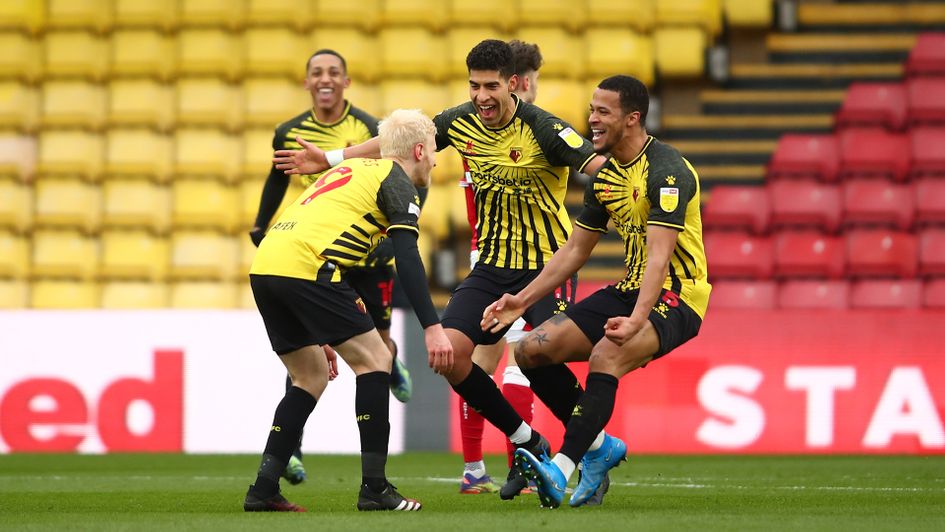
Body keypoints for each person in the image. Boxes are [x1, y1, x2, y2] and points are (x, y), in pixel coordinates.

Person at [272, 39, 612, 503]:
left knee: (536, 357)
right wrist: (330, 159)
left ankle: (593, 447)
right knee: (449, 355)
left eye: (491, 86)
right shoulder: (461, 119)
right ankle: (525, 440)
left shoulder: (543, 128)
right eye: (474, 86)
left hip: (542, 267)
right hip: (490, 267)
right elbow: (397, 144)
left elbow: (600, 168)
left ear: (514, 84)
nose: (482, 96)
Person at [482, 75, 712, 508]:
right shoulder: (604, 178)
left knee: (606, 354)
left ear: (633, 118)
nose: (591, 120)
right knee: (530, 350)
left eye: (603, 112)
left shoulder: (667, 171)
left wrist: (638, 319)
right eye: (592, 110)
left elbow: (660, 260)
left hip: (678, 294)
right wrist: (522, 301)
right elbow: (574, 251)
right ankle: (599, 448)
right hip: (631, 287)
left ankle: (562, 468)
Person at [244, 108, 451, 512]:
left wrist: (318, 325)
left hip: (267, 266)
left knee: (308, 376)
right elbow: (407, 258)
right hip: (306, 268)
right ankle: (375, 488)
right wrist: (432, 325)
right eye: (435, 153)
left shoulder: (349, 173)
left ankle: (264, 487)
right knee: (376, 361)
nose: (437, 161)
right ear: (420, 150)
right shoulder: (397, 182)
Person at [249, 49, 414, 485]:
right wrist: (259, 224)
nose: (325, 79)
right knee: (346, 359)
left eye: (333, 72)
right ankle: (306, 455)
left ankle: (267, 481)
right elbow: (276, 176)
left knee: (359, 353)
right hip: (317, 255)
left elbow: (390, 184)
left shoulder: (366, 127)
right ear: (306, 82)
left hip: (360, 255)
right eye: (317, 73)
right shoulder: (289, 131)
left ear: (346, 81)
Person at [457, 39, 546, 496]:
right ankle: (522, 471)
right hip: (521, 259)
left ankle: (473, 469)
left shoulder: (472, 129)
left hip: (482, 256)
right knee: (521, 362)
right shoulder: (524, 133)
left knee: (477, 362)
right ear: (524, 82)